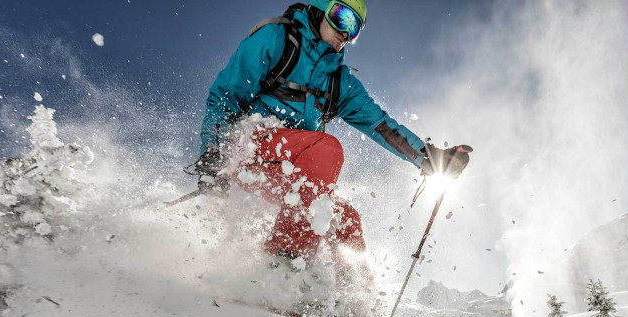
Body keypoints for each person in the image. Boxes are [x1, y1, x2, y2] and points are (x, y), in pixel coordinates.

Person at [195, 0, 472, 273]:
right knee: (326, 148)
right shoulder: (276, 39)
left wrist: (428, 157)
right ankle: (283, 264)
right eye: (342, 17)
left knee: (345, 219)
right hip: (250, 147)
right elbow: (225, 97)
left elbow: (381, 125)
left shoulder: (339, 81)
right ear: (320, 8)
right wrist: (212, 152)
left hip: (294, 168)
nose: (345, 33)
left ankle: (349, 296)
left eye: (355, 29)